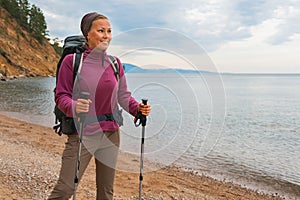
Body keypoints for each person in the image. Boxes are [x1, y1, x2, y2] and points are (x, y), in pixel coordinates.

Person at [48, 12, 151, 200]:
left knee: (106, 192)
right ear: (87, 33)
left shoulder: (114, 63)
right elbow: (61, 95)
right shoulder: (72, 62)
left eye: (109, 31)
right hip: (82, 132)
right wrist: (74, 106)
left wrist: (137, 109)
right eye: (101, 31)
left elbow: (123, 95)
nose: (106, 36)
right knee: (65, 189)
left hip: (111, 133)